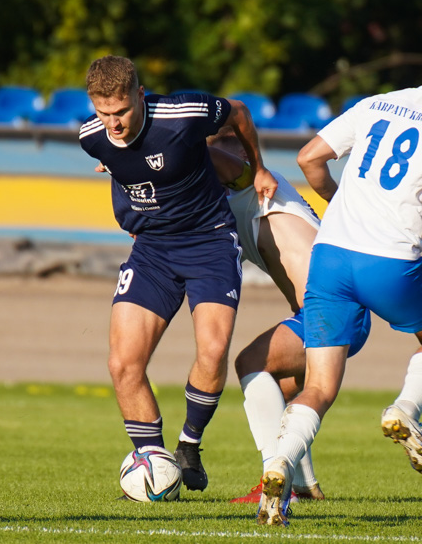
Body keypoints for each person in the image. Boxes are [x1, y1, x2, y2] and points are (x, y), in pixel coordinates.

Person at [258, 35, 422, 526]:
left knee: (318, 386)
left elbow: (308, 158)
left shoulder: (376, 103)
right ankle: (405, 409)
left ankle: (278, 465)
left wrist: (337, 203)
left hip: (331, 258)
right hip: (390, 262)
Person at [78, 56, 277, 493]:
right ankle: (153, 464)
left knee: (212, 350)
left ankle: (189, 445)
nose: (113, 123)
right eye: (103, 113)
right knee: (122, 364)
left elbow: (240, 111)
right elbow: (126, 165)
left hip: (209, 243)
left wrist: (258, 168)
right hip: (152, 253)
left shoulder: (183, 114)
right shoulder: (92, 138)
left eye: (122, 112)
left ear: (140, 94)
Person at [206, 129, 370, 504]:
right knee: (282, 393)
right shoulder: (240, 205)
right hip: (334, 306)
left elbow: (207, 157)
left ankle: (273, 486)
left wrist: (141, 150)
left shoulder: (252, 185)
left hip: (333, 305)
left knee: (252, 363)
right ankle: (302, 486)